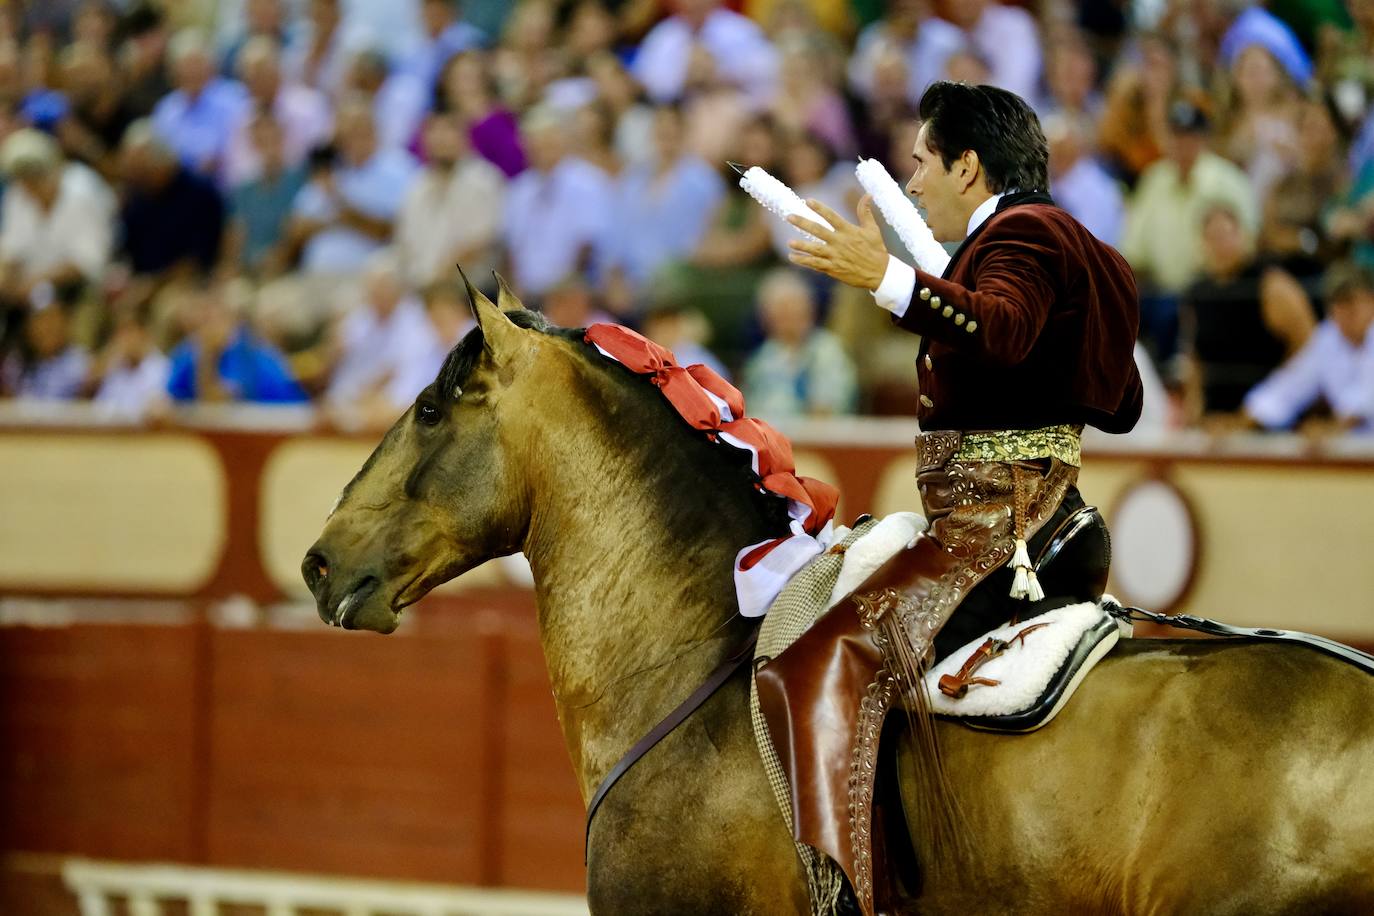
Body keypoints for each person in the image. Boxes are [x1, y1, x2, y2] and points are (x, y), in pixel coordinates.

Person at [756, 81, 1142, 906]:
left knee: (820, 664)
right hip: (1038, 515)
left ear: (968, 166)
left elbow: (999, 329)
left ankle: (861, 895)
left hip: (994, 532)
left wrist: (889, 278)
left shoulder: (1027, 231)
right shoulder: (1066, 243)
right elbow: (1106, 387)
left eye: (925, 161)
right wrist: (908, 284)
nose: (915, 179)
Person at [1242, 263, 1374, 435]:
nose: (1344, 312)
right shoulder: (1328, 338)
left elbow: (1365, 399)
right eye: (1337, 304)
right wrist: (1246, 418)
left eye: (1351, 303)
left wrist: (1332, 427)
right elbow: (1290, 385)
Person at [741, 267, 856, 418]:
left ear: (809, 309)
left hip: (816, 439)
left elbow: (825, 412)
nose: (786, 317)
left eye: (791, 308)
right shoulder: (761, 358)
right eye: (778, 310)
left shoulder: (827, 351)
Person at [166, 282, 308, 403]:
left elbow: (217, 401)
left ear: (230, 317)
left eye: (211, 315)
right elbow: (168, 397)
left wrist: (207, 357)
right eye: (201, 318)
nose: (205, 323)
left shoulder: (252, 353)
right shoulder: (188, 351)